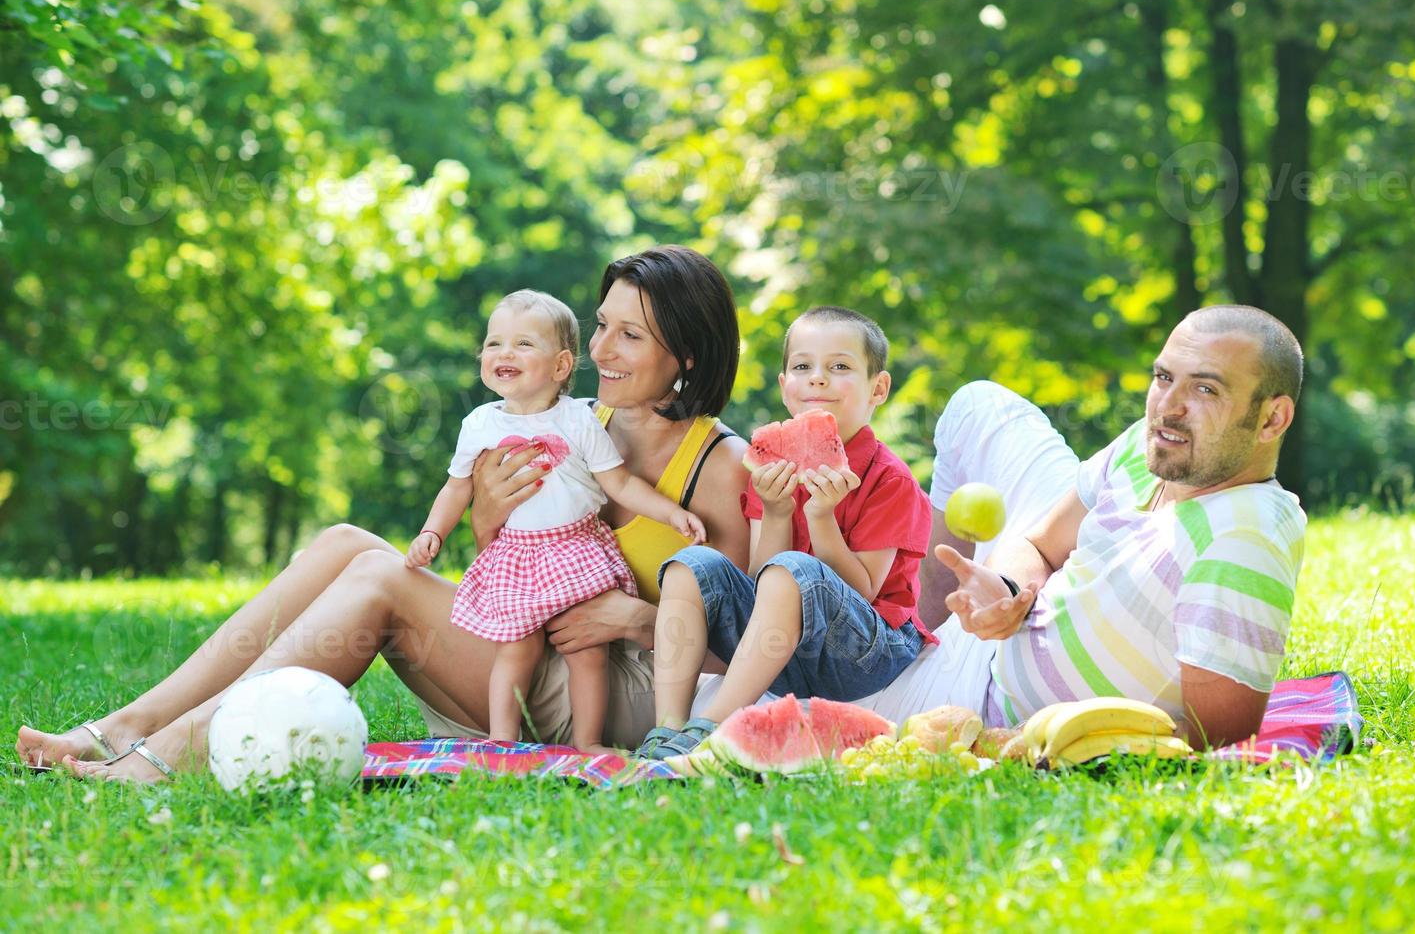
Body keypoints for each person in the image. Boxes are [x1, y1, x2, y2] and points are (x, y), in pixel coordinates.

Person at [16, 245, 749, 782]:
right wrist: (484, 517)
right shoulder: (569, 419)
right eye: (599, 326)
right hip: (534, 641)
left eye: (630, 335)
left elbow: (747, 651)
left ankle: (164, 760)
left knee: (380, 581)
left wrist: (635, 620)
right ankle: (127, 726)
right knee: (344, 543)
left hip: (623, 683)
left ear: (685, 353)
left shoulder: (718, 465)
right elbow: (506, 553)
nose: (599, 351)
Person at [852, 304, 1307, 749]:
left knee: (789, 703)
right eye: (1164, 378)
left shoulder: (1243, 538)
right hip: (1001, 629)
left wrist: (1030, 744)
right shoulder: (1160, 446)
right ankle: (920, 630)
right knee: (977, 405)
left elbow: (1216, 736)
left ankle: (919, 667)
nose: (1167, 408)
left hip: (978, 696)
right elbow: (1042, 545)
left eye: (1205, 390)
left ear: (1272, 419)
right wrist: (1007, 590)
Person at [407, 289, 706, 754]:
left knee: (587, 650)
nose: (504, 353)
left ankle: (587, 741)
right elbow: (457, 488)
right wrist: (432, 532)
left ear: (562, 365)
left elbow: (621, 484)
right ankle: (502, 739)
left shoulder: (579, 420)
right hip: (518, 554)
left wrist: (672, 512)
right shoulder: (480, 423)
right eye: (493, 343)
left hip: (577, 550)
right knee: (516, 647)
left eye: (523, 344)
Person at [637, 307, 932, 759]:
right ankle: (668, 729)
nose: (817, 379)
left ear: (879, 388)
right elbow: (761, 583)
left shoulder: (891, 481)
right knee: (691, 563)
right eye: (802, 366)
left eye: (839, 367)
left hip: (866, 653)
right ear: (783, 386)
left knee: (794, 567)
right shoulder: (773, 467)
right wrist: (775, 510)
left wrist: (821, 518)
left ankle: (709, 731)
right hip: (783, 648)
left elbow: (864, 589)